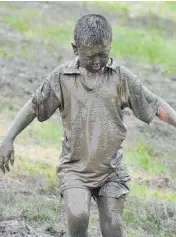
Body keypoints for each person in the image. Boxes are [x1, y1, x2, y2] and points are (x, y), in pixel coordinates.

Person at [0, 14, 175, 237]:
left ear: (110, 45)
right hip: (75, 168)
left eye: (103, 54)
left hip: (111, 170)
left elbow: (155, 103)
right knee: (78, 216)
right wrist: (8, 139)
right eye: (89, 56)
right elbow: (34, 106)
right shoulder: (62, 77)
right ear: (75, 48)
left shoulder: (120, 78)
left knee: (113, 226)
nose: (97, 62)